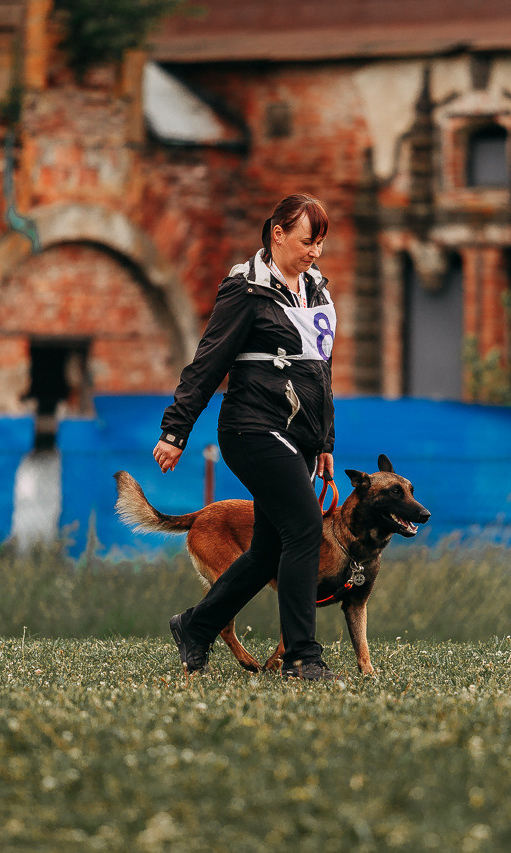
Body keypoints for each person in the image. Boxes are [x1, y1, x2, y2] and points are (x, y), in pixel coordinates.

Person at [154, 193, 340, 682]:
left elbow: (321, 372)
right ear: (277, 233)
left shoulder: (317, 288)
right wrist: (176, 429)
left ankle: (196, 627)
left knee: (268, 551)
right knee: (303, 527)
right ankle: (303, 657)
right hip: (251, 429)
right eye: (306, 241)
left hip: (299, 437)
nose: (314, 252)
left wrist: (324, 442)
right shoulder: (245, 289)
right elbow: (208, 361)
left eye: (320, 243)